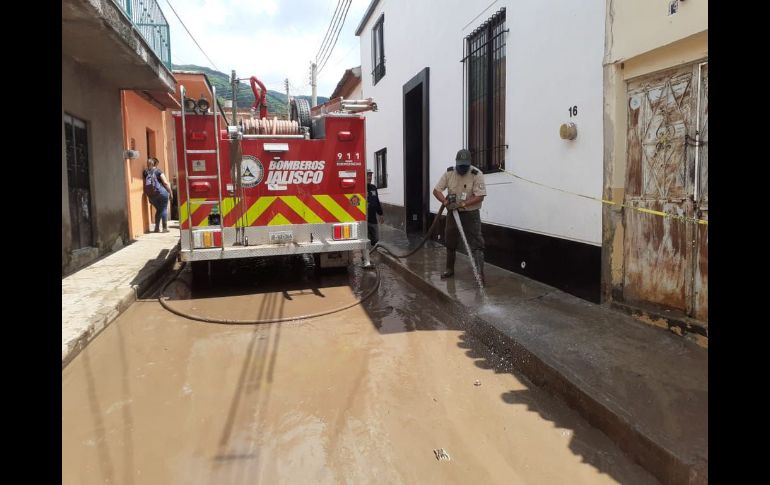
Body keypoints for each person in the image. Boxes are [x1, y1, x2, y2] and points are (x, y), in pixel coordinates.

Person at [432, 148, 487, 282]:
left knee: (476, 243)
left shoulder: (476, 174)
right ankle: (450, 269)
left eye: (465, 166)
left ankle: (479, 274)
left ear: (469, 163)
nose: (462, 168)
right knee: (450, 240)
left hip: (471, 213)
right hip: (453, 213)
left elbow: (480, 196)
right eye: (460, 165)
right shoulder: (449, 173)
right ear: (456, 162)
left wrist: (462, 204)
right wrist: (445, 202)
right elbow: (436, 190)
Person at [144, 157, 173, 233]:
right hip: (161, 192)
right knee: (163, 209)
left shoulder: (145, 172)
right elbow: (165, 183)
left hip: (151, 195)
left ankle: (156, 228)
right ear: (156, 164)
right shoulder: (158, 171)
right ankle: (164, 228)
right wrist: (170, 192)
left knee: (159, 210)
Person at [366, 169, 384, 245]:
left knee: (376, 239)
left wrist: (380, 214)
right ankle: (367, 255)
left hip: (373, 219)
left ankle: (372, 253)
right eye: (368, 175)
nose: (370, 177)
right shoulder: (360, 188)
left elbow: (377, 201)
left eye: (370, 175)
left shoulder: (373, 187)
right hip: (364, 221)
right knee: (366, 241)